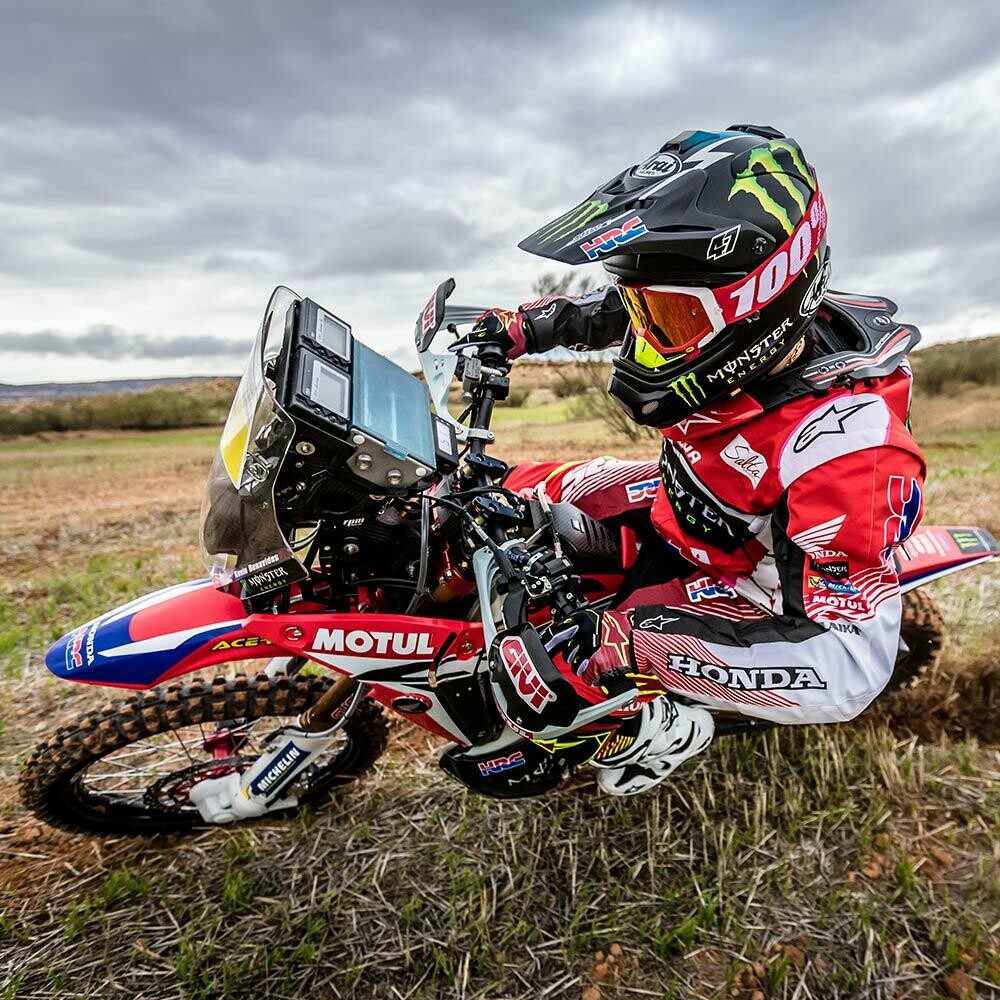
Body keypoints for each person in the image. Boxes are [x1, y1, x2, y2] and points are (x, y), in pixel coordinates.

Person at [459, 125, 925, 795]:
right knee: (525, 494)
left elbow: (849, 662)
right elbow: (630, 307)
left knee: (579, 663)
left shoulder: (847, 458)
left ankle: (665, 728)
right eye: (648, 313)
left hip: (752, 588)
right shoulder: (729, 309)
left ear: (757, 312)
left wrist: (632, 645)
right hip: (700, 502)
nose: (645, 339)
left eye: (668, 325)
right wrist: (528, 327)